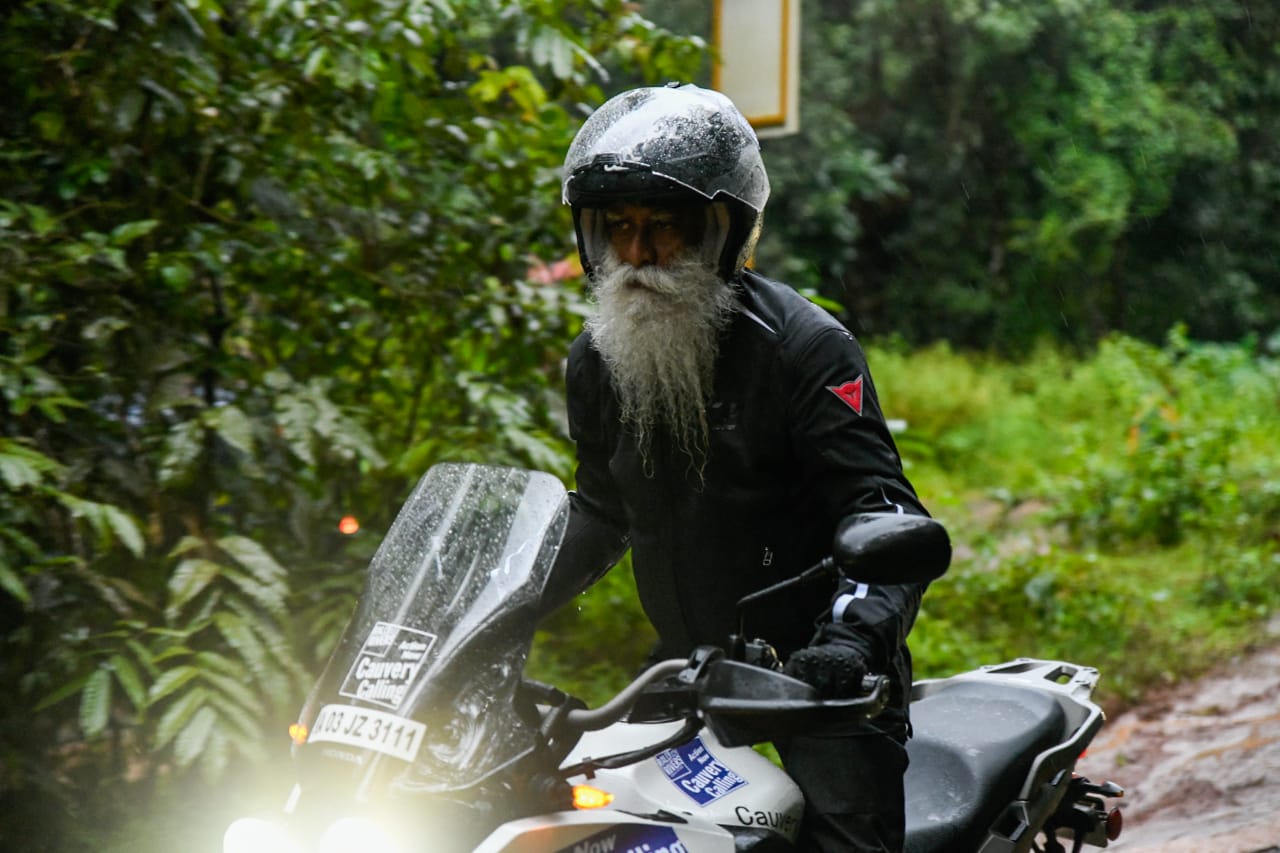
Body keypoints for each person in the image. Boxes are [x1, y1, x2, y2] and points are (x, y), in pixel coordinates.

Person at [544, 82, 934, 853]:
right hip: (679, 676)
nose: (638, 253)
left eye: (665, 228)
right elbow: (599, 508)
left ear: (723, 233)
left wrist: (849, 644)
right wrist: (497, 613)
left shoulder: (804, 348)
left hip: (817, 681)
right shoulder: (598, 360)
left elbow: (882, 512)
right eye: (617, 227)